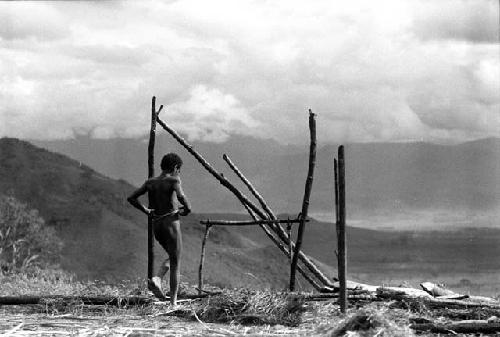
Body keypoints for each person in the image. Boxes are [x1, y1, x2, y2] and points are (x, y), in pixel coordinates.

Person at [127, 153, 191, 306]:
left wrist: (147, 211)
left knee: (172, 255)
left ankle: (158, 278)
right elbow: (181, 197)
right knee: (176, 262)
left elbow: (132, 198)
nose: (179, 173)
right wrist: (187, 209)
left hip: (157, 225)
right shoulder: (174, 180)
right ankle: (173, 302)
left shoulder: (150, 182)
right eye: (179, 170)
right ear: (175, 167)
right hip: (171, 223)